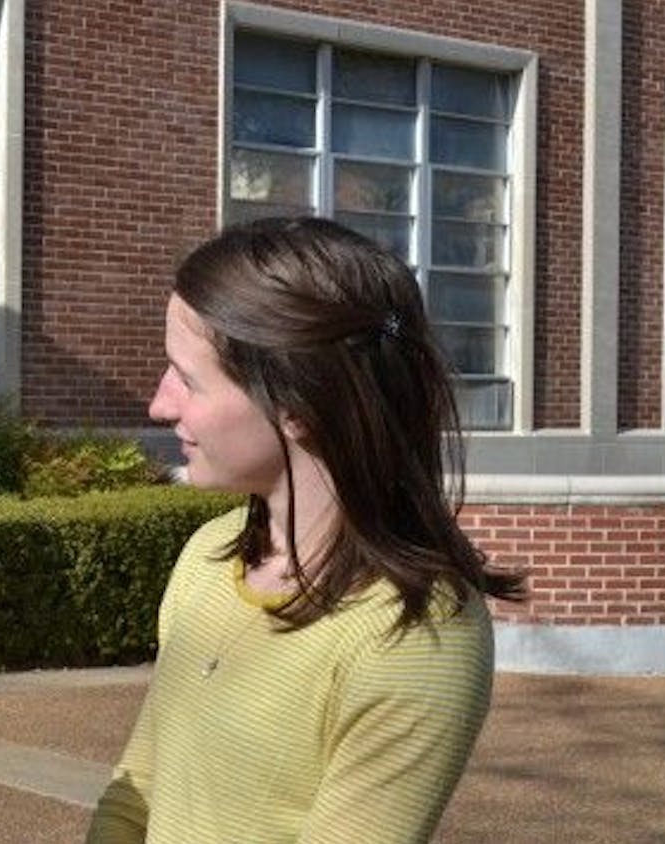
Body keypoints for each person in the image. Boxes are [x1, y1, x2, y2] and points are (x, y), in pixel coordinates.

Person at [87, 217, 525, 844]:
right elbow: (138, 793)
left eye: (186, 378)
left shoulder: (414, 636)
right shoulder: (207, 559)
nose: (159, 405)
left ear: (296, 406)